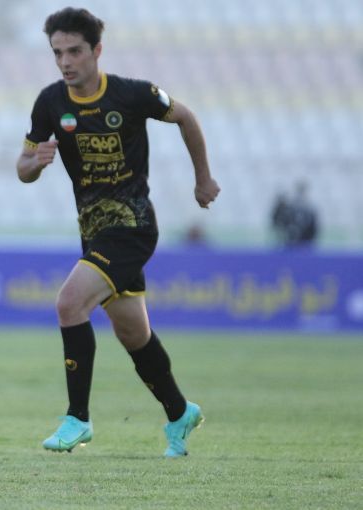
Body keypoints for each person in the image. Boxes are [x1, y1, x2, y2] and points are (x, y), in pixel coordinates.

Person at [16, 8, 220, 458]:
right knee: (133, 334)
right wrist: (36, 163)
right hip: (93, 232)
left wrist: (203, 179)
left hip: (132, 227)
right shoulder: (50, 102)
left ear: (96, 51)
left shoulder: (132, 94)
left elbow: (186, 117)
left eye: (74, 51)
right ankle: (180, 412)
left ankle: (78, 418)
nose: (65, 61)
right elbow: (23, 167)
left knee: (69, 303)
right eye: (57, 53)